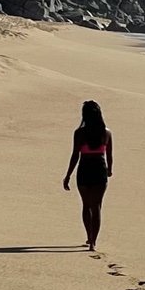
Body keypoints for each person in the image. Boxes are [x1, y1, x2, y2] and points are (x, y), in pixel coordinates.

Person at [62, 100, 113, 251]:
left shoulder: (79, 133)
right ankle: (93, 242)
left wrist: (68, 175)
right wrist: (110, 169)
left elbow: (75, 156)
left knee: (86, 205)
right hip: (99, 170)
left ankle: (89, 236)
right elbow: (109, 155)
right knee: (96, 206)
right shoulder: (107, 133)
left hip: (84, 169)